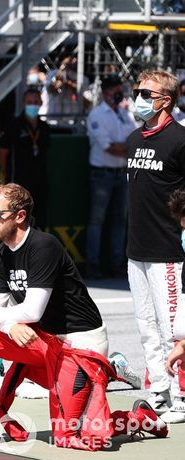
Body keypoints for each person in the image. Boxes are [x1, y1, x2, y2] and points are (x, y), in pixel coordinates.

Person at [0, 184, 167, 449]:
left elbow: (28, 311)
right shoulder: (3, 253)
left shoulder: (44, 245)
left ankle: (138, 418)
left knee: (75, 437)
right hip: (44, 342)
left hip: (80, 345)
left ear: (20, 216)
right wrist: (8, 321)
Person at [126, 69, 185, 423]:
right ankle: (159, 390)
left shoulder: (180, 140)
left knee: (173, 328)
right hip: (137, 248)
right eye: (137, 92)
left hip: (168, 250)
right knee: (146, 326)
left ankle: (182, 394)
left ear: (166, 100)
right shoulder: (134, 139)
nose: (139, 98)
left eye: (146, 93)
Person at [84, 75, 137, 279]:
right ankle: (93, 264)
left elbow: (136, 139)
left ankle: (117, 263)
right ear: (106, 92)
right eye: (116, 89)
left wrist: (125, 147)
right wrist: (127, 148)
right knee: (97, 220)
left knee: (119, 220)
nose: (120, 93)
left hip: (121, 173)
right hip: (102, 174)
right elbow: (109, 147)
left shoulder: (124, 114)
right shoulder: (96, 115)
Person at [0, 88, 51, 229]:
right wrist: (7, 175)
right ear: (23, 104)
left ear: (40, 103)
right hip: (19, 183)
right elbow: (3, 153)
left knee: (39, 221)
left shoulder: (44, 127)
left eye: (35, 102)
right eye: (29, 102)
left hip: (40, 182)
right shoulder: (14, 125)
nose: (32, 105)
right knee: (18, 220)